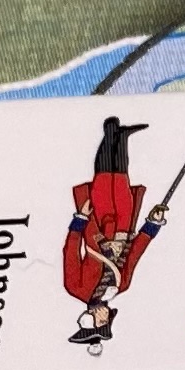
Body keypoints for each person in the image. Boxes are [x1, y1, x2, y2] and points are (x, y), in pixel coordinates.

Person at [61, 118, 152, 350]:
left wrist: (80, 220)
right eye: (107, 320)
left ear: (90, 318)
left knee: (103, 182)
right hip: (124, 230)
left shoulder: (76, 289)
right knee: (121, 183)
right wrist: (152, 225)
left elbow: (71, 251)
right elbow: (134, 255)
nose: (106, 316)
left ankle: (110, 132)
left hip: (98, 228)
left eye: (102, 321)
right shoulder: (121, 287)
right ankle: (123, 138)